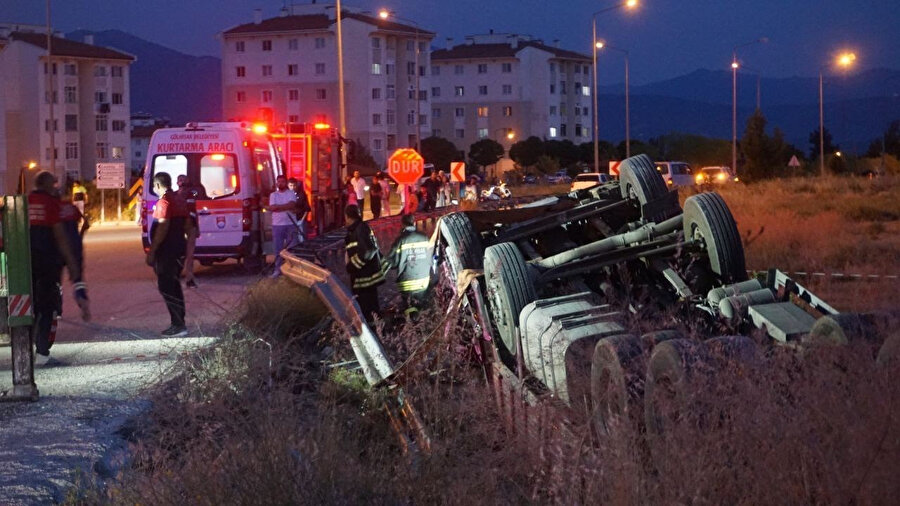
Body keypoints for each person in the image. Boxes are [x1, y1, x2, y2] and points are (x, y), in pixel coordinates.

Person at [29, 171, 83, 365]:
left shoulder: (26, 202)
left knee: (29, 309)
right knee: (47, 308)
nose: (56, 187)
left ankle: (24, 353)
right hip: (47, 266)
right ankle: (42, 354)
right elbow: (60, 237)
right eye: (53, 183)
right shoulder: (51, 204)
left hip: (26, 266)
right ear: (46, 185)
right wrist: (72, 265)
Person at [146, 172, 195, 337]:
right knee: (174, 285)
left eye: (154, 186)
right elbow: (189, 226)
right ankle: (179, 322)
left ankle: (178, 324)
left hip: (167, 251)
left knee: (166, 286)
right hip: (178, 248)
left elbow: (162, 227)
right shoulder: (179, 200)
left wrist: (152, 252)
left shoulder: (164, 201)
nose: (154, 189)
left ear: (158, 185)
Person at [344, 204, 388, 321]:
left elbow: (368, 250)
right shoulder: (359, 229)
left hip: (364, 279)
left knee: (367, 309)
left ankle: (374, 332)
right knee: (370, 309)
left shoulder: (360, 229)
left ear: (347, 217)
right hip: (364, 279)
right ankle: (376, 330)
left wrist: (352, 266)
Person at [387, 213, 432, 318]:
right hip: (423, 282)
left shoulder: (401, 240)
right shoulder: (424, 237)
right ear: (414, 222)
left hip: (406, 284)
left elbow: (392, 262)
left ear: (402, 224)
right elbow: (431, 258)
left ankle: (412, 327)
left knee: (410, 310)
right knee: (422, 309)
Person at [59, 183, 91, 321]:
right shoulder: (72, 208)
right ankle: (81, 297)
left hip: (59, 246)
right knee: (78, 278)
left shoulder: (54, 208)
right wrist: (80, 236)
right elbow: (86, 223)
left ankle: (57, 309)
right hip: (75, 244)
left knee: (56, 280)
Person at [266, 175, 299, 278]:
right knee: (278, 249)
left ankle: (292, 270)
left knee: (292, 248)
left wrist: (278, 207)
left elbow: (292, 205)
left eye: (282, 182)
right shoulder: (273, 195)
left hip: (290, 224)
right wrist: (284, 207)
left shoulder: (291, 193)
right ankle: (277, 269)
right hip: (277, 225)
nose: (280, 183)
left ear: (286, 183)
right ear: (276, 183)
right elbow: (272, 207)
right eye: (279, 182)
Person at [288, 177, 310, 242]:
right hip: (289, 221)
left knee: (302, 239)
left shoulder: (302, 195)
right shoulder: (285, 196)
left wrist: (302, 220)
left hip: (300, 220)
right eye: (291, 185)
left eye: (294, 185)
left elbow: (307, 209)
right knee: (291, 239)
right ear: (288, 186)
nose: (292, 187)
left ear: (297, 185)